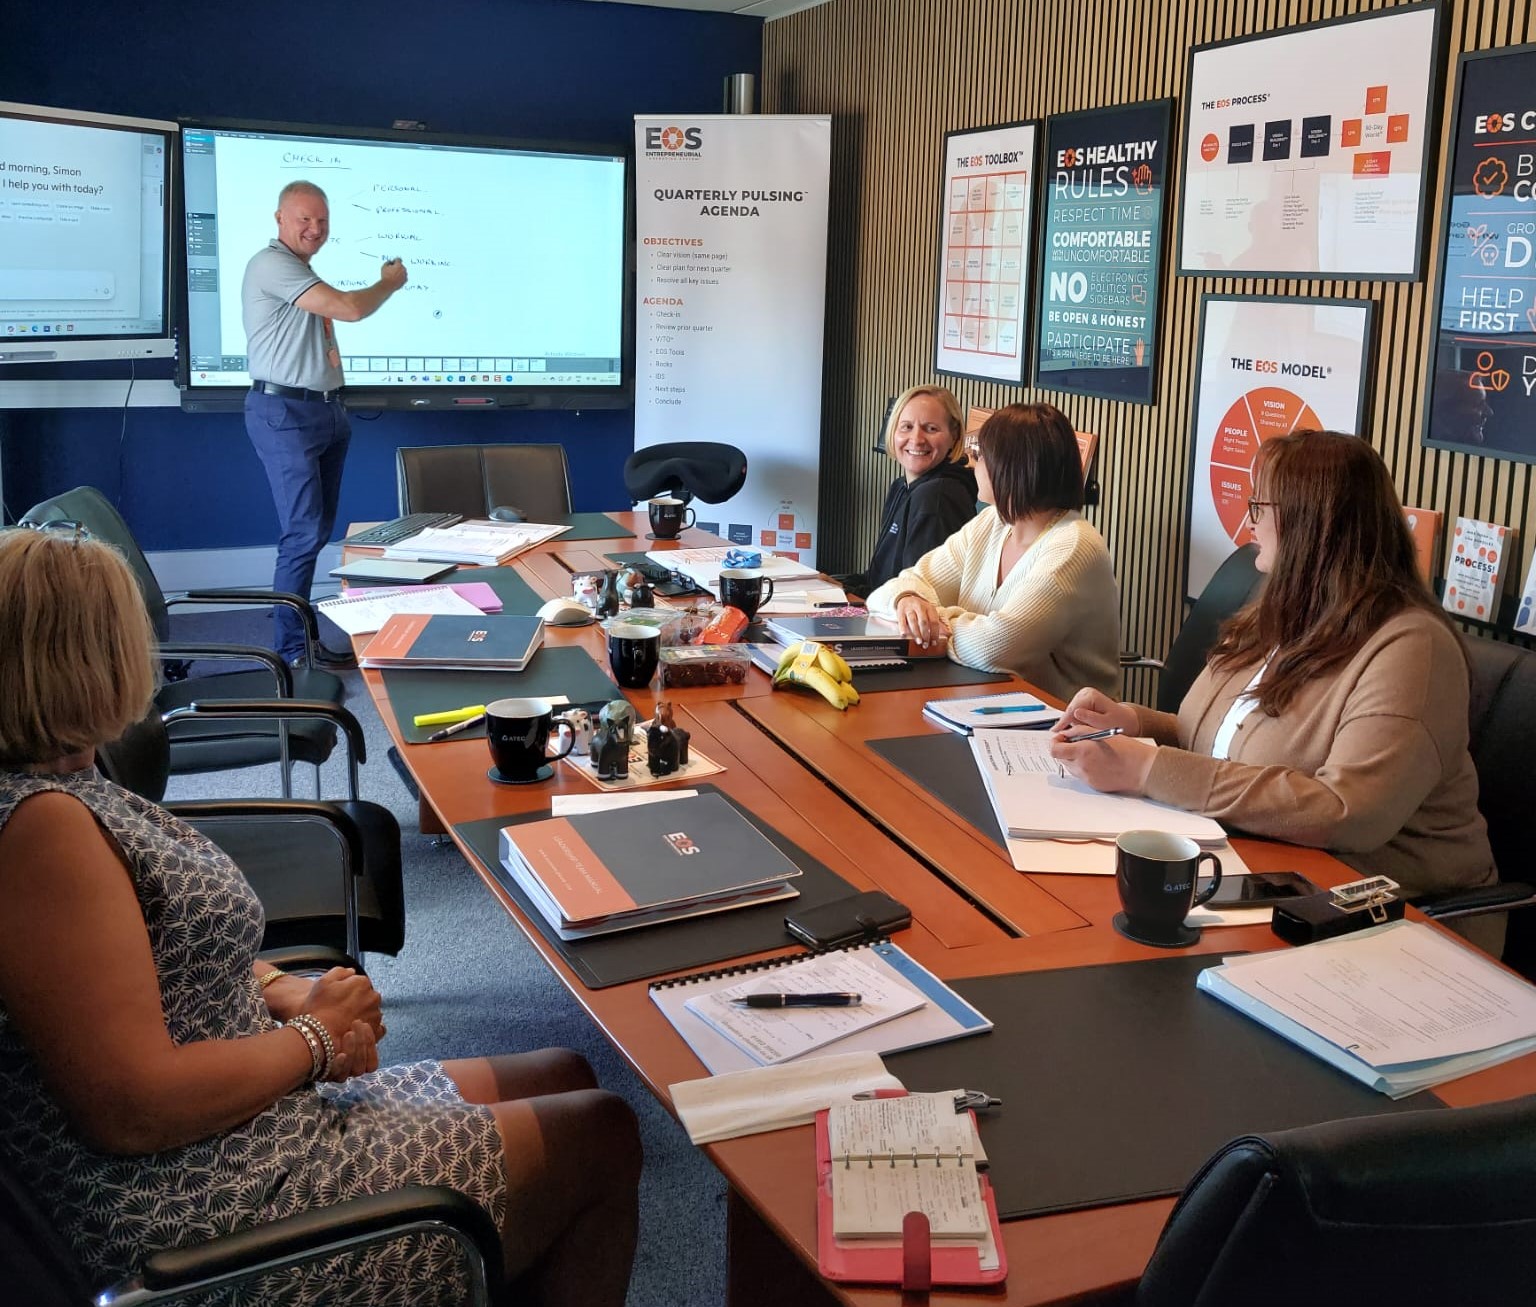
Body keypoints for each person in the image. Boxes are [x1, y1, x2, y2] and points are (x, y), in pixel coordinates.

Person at [0, 526, 641, 1305]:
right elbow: (131, 1107)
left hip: (253, 1127)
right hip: (215, 1202)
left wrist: (285, 989)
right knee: (603, 1134)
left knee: (568, 1072)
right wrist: (315, 1040)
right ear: (84, 657)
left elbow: (172, 946)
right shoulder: (43, 833)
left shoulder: (67, 778)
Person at [1049, 430, 1502, 954]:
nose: (1249, 522)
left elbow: (1345, 811)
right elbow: (1224, 744)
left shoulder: (1411, 648)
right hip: (1265, 871)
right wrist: (1136, 724)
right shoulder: (1282, 608)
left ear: (1313, 521)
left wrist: (1147, 769)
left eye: (1259, 505)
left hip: (1394, 922)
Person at [243, 180, 408, 670]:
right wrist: (390, 283)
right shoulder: (270, 264)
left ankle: (302, 638)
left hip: (324, 411)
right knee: (301, 533)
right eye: (304, 219)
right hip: (285, 413)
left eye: (322, 221)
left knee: (315, 531)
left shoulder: (300, 269)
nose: (315, 229)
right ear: (279, 219)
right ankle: (290, 652)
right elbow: (352, 308)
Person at [864, 402, 1119, 701]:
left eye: (980, 456)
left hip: (1062, 724)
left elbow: (995, 647)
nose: (973, 465)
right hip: (984, 701)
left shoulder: (1073, 546)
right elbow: (888, 591)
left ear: (1012, 467)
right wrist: (907, 598)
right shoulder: (992, 522)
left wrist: (931, 621)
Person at [840, 385, 977, 597]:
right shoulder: (901, 487)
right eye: (906, 427)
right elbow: (880, 580)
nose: (916, 439)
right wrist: (835, 585)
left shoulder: (936, 496)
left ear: (954, 436)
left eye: (931, 429)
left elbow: (918, 596)